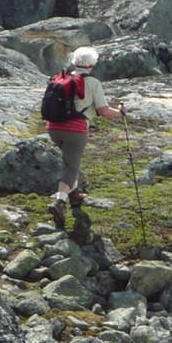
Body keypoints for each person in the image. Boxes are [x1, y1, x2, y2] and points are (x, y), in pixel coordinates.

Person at [43, 46, 125, 229]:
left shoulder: (61, 78)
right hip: (75, 130)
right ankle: (60, 202)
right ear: (92, 65)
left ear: (75, 62)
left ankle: (75, 195)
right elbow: (104, 111)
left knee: (69, 160)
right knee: (71, 167)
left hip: (53, 127)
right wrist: (121, 113)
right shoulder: (93, 83)